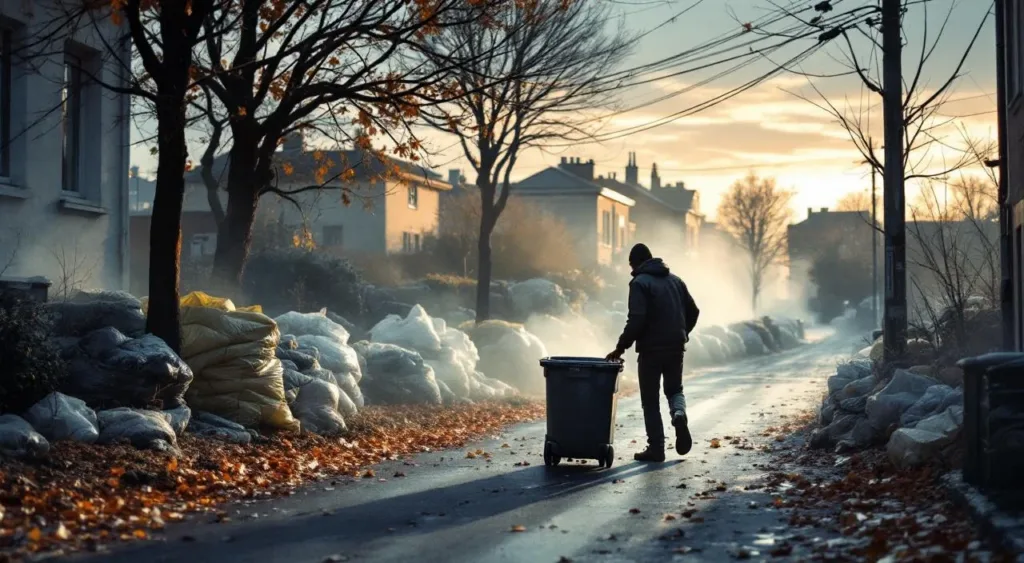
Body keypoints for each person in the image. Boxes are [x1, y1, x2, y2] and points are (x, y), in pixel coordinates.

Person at [606, 243, 700, 462]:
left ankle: (656, 448)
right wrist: (682, 332)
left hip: (651, 349)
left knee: (650, 400)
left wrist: (621, 347)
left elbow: (637, 319)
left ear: (637, 262)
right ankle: (679, 414)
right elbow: (694, 311)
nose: (631, 271)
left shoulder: (640, 283)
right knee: (674, 390)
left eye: (631, 266)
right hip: (676, 346)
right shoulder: (676, 281)